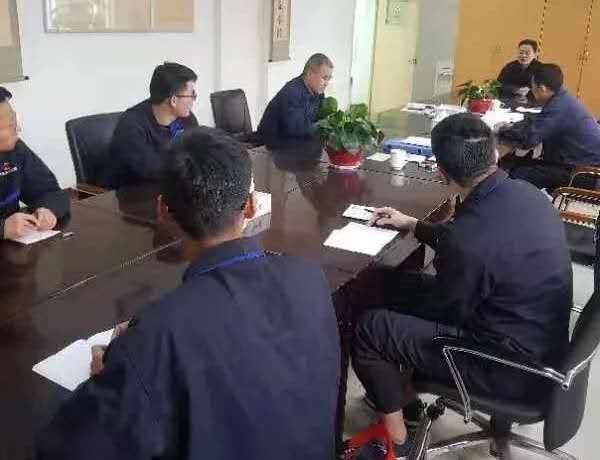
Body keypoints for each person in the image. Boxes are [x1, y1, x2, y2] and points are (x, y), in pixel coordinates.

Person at [36, 128, 340, 460]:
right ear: (251, 206)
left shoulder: (159, 333)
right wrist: (140, 348)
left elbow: (63, 448)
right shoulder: (309, 276)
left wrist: (119, 366)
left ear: (162, 210)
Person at [350, 113, 571, 459]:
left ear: (441, 171)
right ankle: (400, 398)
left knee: (371, 329)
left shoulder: (469, 238)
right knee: (390, 286)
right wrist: (413, 224)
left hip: (504, 366)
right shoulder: (527, 194)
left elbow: (447, 307)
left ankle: (397, 440)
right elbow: (476, 241)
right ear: (494, 153)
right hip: (540, 345)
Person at [498, 63, 600, 191]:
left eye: (532, 87)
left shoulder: (558, 107)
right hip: (577, 162)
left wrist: (502, 130)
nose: (531, 91)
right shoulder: (562, 98)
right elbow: (538, 126)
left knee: (518, 174)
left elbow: (529, 140)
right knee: (518, 161)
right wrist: (513, 129)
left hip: (583, 172)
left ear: (542, 88)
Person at [108, 62, 199, 188]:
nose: (194, 100)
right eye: (192, 95)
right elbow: (149, 170)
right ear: (173, 100)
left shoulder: (187, 119)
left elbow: (198, 152)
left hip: (170, 188)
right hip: (129, 194)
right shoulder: (131, 126)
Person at [0, 87, 69, 240]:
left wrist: (48, 209)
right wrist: (2, 229)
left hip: (14, 247)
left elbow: (50, 192)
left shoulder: (16, 149)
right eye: (11, 125)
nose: (18, 129)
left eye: (15, 121)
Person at [258, 53, 333, 148]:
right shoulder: (292, 91)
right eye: (324, 78)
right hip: (270, 146)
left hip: (295, 144)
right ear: (310, 74)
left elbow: (322, 119)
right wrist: (323, 126)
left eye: (329, 79)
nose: (327, 83)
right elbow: (297, 129)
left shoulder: (318, 93)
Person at [497, 39, 542, 105]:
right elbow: (499, 85)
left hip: (532, 104)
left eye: (527, 53)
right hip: (510, 102)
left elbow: (544, 91)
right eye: (521, 52)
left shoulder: (541, 69)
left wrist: (529, 98)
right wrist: (515, 90)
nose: (523, 55)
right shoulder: (509, 67)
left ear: (535, 54)